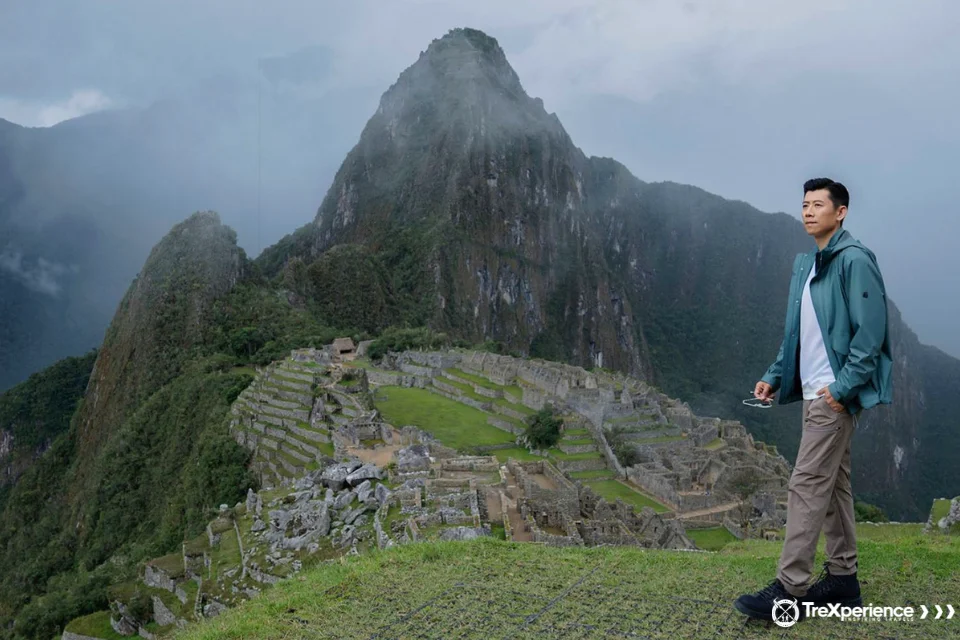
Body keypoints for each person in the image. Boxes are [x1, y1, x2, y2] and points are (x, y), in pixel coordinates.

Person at [734, 178, 893, 621]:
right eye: (804, 204)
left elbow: (871, 333)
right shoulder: (809, 264)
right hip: (817, 392)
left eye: (818, 205)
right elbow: (798, 336)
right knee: (835, 486)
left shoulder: (854, 261)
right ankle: (844, 580)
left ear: (840, 212)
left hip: (832, 396)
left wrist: (842, 390)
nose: (808, 211)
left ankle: (789, 587)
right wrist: (775, 374)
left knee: (806, 484)